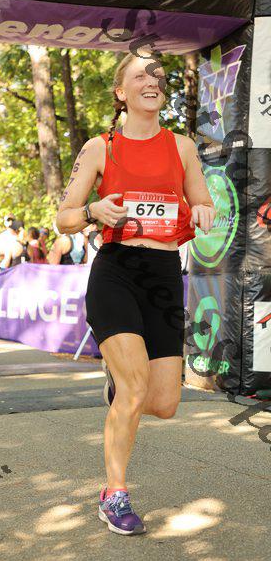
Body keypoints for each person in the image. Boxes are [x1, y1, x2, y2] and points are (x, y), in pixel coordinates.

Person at [55, 50, 216, 536]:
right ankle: (115, 494)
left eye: (158, 75)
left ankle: (121, 385)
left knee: (163, 403)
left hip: (164, 274)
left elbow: (202, 201)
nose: (153, 81)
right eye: (141, 75)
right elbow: (64, 217)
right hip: (117, 273)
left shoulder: (182, 147)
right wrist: (93, 211)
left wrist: (203, 212)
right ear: (121, 92)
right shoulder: (100, 147)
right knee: (134, 389)